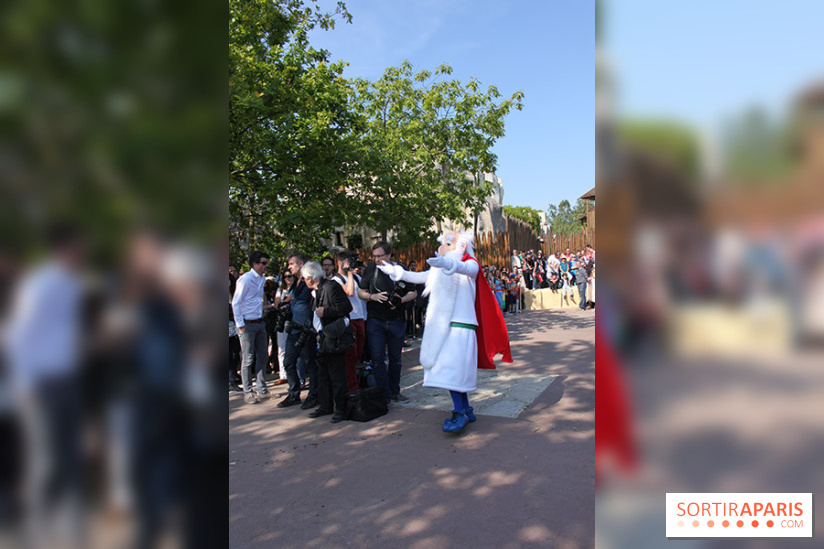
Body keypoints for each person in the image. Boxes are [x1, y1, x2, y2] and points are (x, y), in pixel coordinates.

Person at [378, 230, 512, 433]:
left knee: (453, 373)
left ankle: (459, 413)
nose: (442, 246)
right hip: (447, 327)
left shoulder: (471, 264)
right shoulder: (441, 268)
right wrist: (398, 272)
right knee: (455, 372)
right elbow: (421, 276)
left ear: (462, 246)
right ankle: (466, 409)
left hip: (461, 326)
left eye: (449, 243)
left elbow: (464, 268)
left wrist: (448, 264)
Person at [357, 241, 417, 404]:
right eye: (374, 256)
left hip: (397, 320)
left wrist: (401, 300)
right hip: (376, 320)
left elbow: (413, 292)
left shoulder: (400, 269)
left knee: (396, 358)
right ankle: (383, 393)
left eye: (380, 256)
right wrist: (372, 297)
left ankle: (395, 391)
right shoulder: (370, 270)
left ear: (389, 255)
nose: (376, 260)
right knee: (377, 359)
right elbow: (360, 292)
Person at [302, 262, 352, 423]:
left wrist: (326, 312)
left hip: (333, 337)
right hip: (322, 338)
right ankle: (325, 406)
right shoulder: (316, 291)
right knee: (323, 374)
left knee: (337, 375)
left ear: (310, 278)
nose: (303, 281)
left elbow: (346, 307)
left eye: (304, 278)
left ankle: (341, 409)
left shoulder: (330, 287)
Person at [277, 252, 319, 409]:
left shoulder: (310, 280)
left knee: (310, 363)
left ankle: (314, 395)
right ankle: (293, 394)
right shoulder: (295, 283)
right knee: (288, 362)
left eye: (291, 264)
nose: (289, 268)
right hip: (294, 329)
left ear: (301, 264)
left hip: (307, 330)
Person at [231, 251, 271, 404]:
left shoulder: (261, 279)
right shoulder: (246, 279)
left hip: (259, 322)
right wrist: (240, 325)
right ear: (254, 264)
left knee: (263, 356)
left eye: (266, 263)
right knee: (248, 359)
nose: (265, 266)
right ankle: (248, 391)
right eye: (263, 263)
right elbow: (236, 302)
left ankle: (261, 387)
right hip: (247, 324)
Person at [333, 251, 366, 392]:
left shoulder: (358, 277)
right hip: (349, 319)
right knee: (350, 356)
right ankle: (352, 388)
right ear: (340, 263)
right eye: (348, 261)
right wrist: (350, 273)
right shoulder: (336, 280)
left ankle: (359, 381)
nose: (351, 264)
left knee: (359, 354)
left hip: (361, 318)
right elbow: (350, 292)